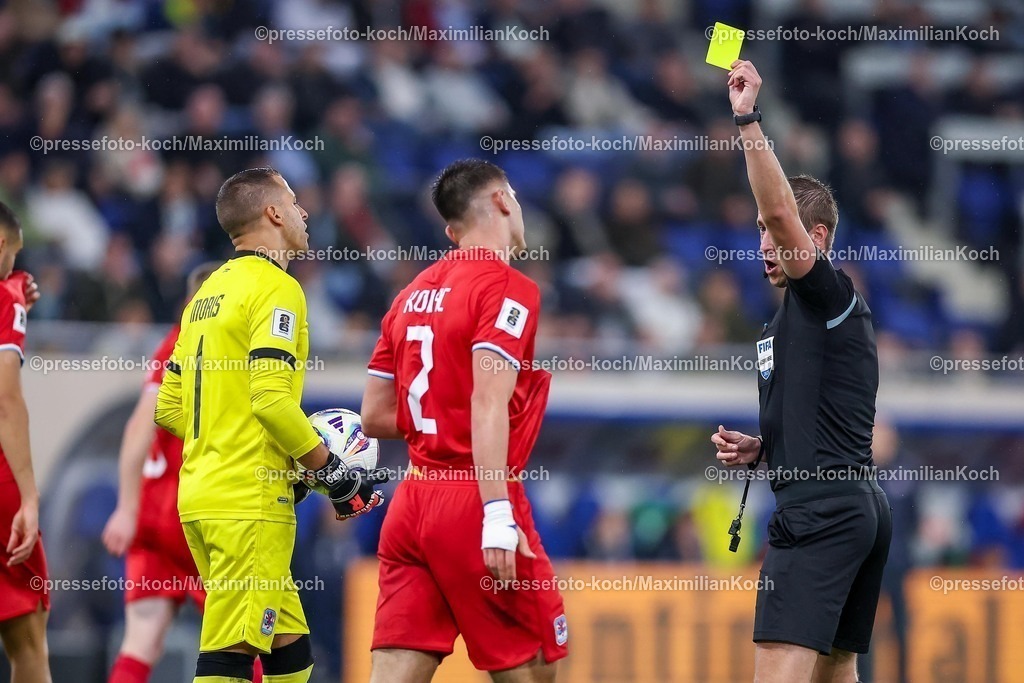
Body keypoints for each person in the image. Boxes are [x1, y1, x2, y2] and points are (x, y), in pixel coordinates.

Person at [155, 167, 384, 683]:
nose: (305, 213)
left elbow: (169, 409)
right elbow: (272, 401)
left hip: (202, 495)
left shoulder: (206, 296)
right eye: (296, 203)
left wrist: (281, 465)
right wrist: (334, 474)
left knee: (290, 652)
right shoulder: (277, 288)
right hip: (248, 508)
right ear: (274, 214)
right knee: (230, 655)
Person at [710, 62, 891, 683]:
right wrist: (767, 447)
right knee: (836, 671)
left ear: (814, 238)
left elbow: (785, 215)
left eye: (772, 229)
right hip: (851, 504)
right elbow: (821, 417)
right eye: (758, 229)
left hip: (820, 514)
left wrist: (746, 119)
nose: (763, 239)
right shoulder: (784, 325)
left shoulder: (827, 294)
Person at [361, 159, 566, 683]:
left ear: (452, 231)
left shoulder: (407, 296)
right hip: (476, 499)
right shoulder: (508, 287)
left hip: (412, 502)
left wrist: (437, 414)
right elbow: (487, 402)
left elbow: (375, 415)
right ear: (501, 201)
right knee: (534, 669)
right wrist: (497, 512)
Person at [102, 262, 265, 683]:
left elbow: (144, 420)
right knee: (244, 638)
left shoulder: (170, 342)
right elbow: (142, 424)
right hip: (198, 517)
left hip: (152, 520)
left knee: (140, 643)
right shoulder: (207, 344)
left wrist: (128, 507)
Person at [0, 201, 47, 683]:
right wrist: (29, 497)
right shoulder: (5, 299)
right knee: (28, 644)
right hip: (0, 487)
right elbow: (5, 402)